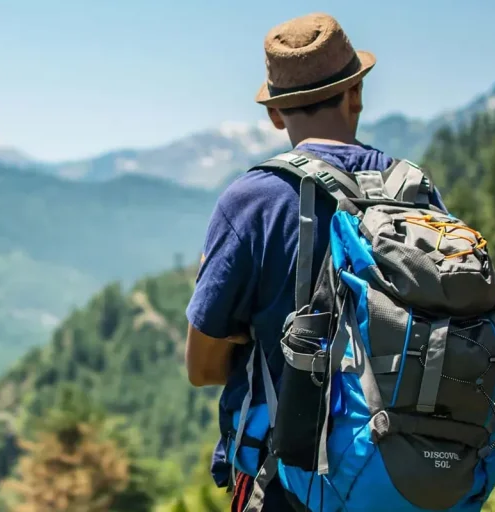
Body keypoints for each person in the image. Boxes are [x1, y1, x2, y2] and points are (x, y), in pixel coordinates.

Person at [183, 12, 445, 511]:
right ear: (357, 94)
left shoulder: (252, 202)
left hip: (291, 485)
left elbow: (201, 368)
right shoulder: (415, 192)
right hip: (409, 477)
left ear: (275, 115)